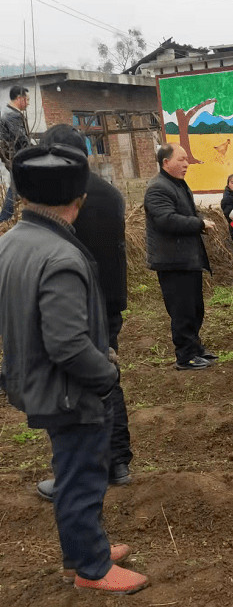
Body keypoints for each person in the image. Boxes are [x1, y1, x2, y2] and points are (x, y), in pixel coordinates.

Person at [0, 141, 148, 593]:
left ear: (24, 196)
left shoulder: (11, 242)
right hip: (70, 389)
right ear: (78, 199)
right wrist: (107, 375)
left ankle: (84, 551)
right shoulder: (61, 256)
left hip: (35, 380)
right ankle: (91, 567)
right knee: (82, 475)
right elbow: (67, 344)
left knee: (70, 469)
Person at [35, 125, 133, 503]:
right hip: (108, 300)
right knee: (107, 375)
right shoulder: (110, 193)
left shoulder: (59, 194)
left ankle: (76, 472)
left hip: (72, 301)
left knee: (72, 382)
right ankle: (118, 462)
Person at [145, 143, 216, 371]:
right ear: (166, 162)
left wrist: (201, 220)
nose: (187, 164)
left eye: (187, 159)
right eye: (181, 159)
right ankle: (185, 356)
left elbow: (188, 212)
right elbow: (166, 220)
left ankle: (195, 348)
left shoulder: (177, 184)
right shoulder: (158, 188)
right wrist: (199, 224)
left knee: (195, 308)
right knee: (182, 310)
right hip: (172, 261)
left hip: (187, 258)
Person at [0, 85, 31, 221]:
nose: (29, 103)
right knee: (14, 191)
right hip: (16, 158)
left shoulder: (7, 112)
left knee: (17, 189)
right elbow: (22, 140)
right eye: (27, 99)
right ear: (20, 98)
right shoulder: (12, 115)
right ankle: (3, 220)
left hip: (11, 157)